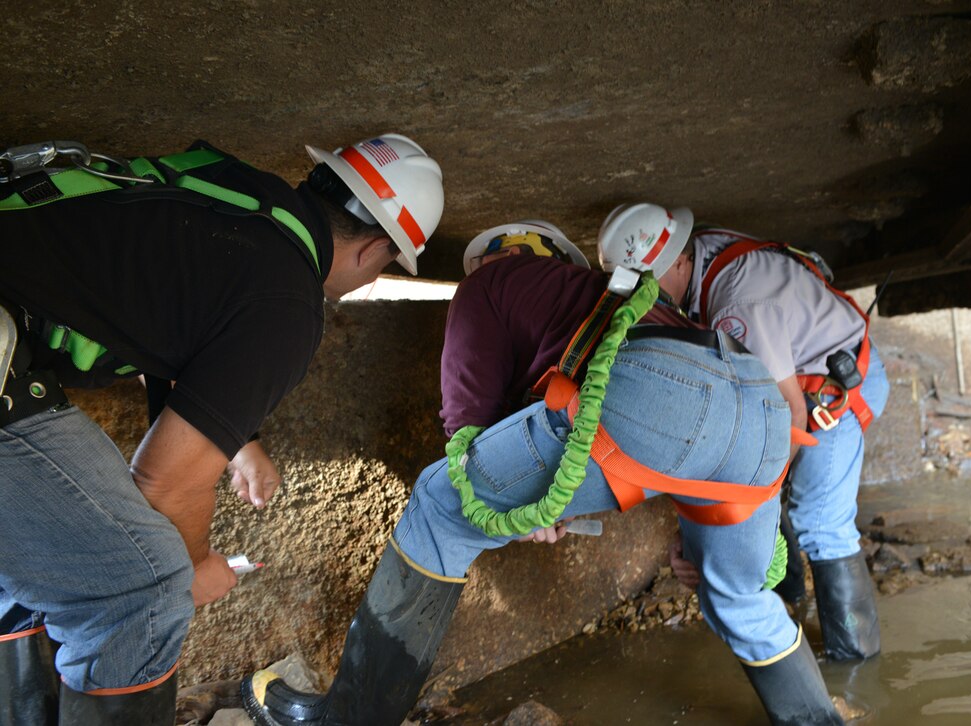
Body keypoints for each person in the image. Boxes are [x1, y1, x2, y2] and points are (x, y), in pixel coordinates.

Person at [242, 204, 845, 726]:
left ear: (496, 259)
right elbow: (686, 418)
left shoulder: (489, 283)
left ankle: (348, 717)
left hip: (653, 392)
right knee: (737, 597)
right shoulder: (618, 301)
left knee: (438, 505)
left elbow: (465, 429)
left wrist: (506, 498)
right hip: (758, 398)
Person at [0, 134, 444, 725]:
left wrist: (241, 440)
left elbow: (171, 324)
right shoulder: (290, 305)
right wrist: (194, 565)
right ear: (375, 252)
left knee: (49, 558)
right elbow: (163, 483)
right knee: (143, 589)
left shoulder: (233, 184)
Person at [665, 223, 890, 661]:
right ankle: (790, 604)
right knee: (770, 481)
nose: (646, 295)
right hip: (812, 372)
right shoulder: (703, 253)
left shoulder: (738, 305)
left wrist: (738, 513)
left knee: (821, 522)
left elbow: (792, 413)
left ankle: (856, 662)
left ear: (678, 260)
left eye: (648, 280)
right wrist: (696, 529)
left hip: (838, 389)